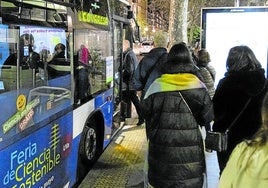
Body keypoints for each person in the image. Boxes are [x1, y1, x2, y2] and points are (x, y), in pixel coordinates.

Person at [141, 42, 214, 188]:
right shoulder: (198, 87)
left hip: (161, 153)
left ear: (169, 60)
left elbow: (145, 114)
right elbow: (207, 117)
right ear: (189, 60)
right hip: (191, 155)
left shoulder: (156, 86)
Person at [212, 45, 268, 174]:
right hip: (257, 139)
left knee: (229, 175)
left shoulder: (225, 84)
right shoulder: (265, 84)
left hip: (229, 141)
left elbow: (215, 112)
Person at [218, 91, 268, 188]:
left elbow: (215, 110)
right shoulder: (262, 84)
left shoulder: (244, 152)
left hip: (232, 135)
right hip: (253, 131)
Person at [133, 31, 168, 100]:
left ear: (154, 44)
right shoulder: (171, 60)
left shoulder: (145, 60)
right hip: (166, 100)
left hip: (148, 98)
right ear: (167, 44)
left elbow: (136, 83)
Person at [121, 40, 144, 125]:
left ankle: (140, 117)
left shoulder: (128, 55)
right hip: (132, 83)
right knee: (133, 100)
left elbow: (129, 70)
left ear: (125, 46)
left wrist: (122, 75)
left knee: (132, 100)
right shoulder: (131, 54)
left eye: (122, 46)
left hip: (130, 84)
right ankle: (140, 117)